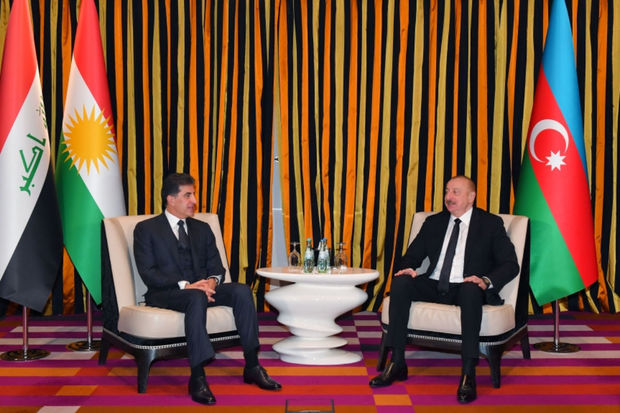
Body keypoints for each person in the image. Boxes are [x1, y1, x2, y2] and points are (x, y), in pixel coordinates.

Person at [133, 173, 281, 405]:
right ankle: (197, 377)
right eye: (187, 195)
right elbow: (148, 272)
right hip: (166, 292)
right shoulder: (146, 229)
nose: (194, 200)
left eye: (194, 194)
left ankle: (252, 365)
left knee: (242, 291)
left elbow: (217, 267)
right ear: (171, 199)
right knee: (195, 297)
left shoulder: (202, 228)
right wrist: (186, 285)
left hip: (203, 290)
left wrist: (212, 282)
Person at [369, 175, 519, 404]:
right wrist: (408, 268)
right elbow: (411, 256)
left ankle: (468, 373)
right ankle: (397, 362)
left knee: (470, 291)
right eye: (447, 191)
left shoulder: (490, 224)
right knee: (401, 283)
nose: (449, 197)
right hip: (434, 283)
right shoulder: (434, 222)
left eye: (455, 192)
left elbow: (510, 264)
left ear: (471, 197)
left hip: (467, 286)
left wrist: (485, 280)